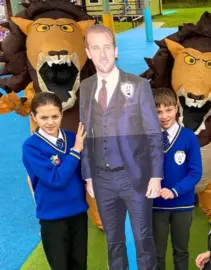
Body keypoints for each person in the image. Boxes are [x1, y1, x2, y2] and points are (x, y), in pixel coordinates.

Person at [79, 25, 163, 270]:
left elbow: (153, 133)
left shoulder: (138, 85)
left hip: (134, 176)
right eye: (96, 48)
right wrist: (88, 176)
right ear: (88, 52)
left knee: (143, 239)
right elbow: (85, 134)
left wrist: (156, 175)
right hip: (102, 178)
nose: (102, 54)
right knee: (113, 242)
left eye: (107, 47)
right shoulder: (86, 87)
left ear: (115, 51)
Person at [22, 92, 88, 270]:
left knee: (80, 264)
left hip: (78, 212)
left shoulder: (73, 137)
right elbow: (55, 180)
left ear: (62, 114)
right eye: (43, 117)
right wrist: (75, 152)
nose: (50, 122)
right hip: (52, 217)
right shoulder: (31, 146)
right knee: (60, 265)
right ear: (34, 117)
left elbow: (85, 170)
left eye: (55, 116)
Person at [151, 87, 202, 270]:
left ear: (176, 108)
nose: (164, 116)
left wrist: (175, 191)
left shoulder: (189, 137)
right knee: (157, 252)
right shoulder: (149, 138)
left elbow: (195, 172)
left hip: (183, 205)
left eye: (168, 110)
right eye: (158, 112)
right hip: (156, 206)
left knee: (181, 250)